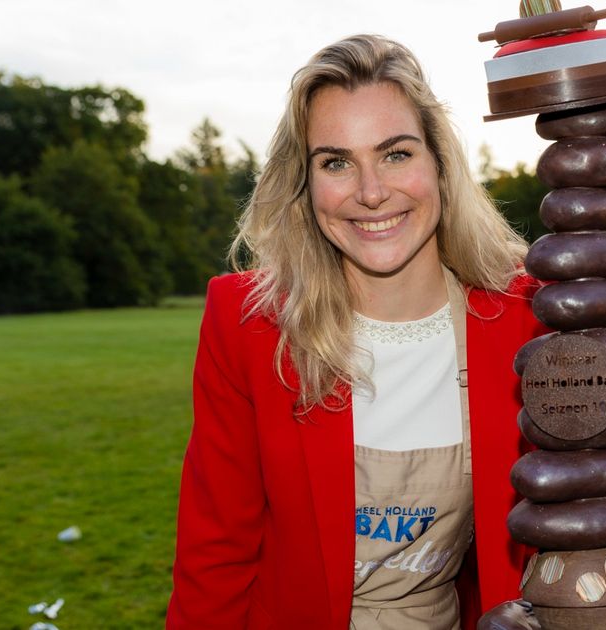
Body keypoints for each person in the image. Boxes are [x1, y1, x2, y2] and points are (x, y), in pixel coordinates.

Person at [167, 34, 547, 630]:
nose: (370, 193)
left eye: (396, 153)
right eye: (336, 162)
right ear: (305, 183)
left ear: (440, 165)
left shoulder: (524, 317)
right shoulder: (247, 323)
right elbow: (214, 556)